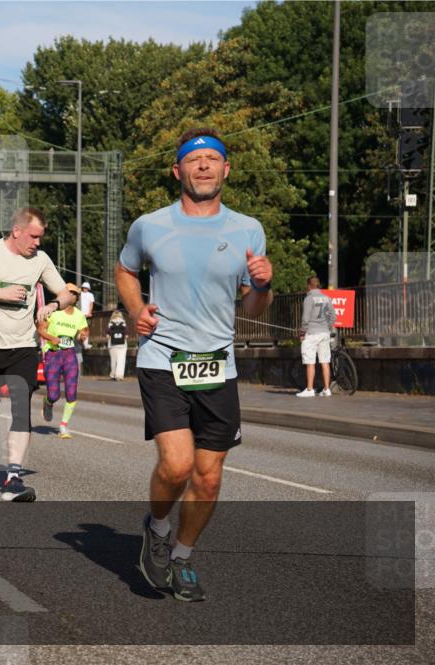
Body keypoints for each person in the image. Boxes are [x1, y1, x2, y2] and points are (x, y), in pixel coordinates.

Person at [115, 128, 273, 602]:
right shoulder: (149, 225)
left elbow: (254, 312)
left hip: (218, 365)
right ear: (177, 170)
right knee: (177, 464)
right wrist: (134, 307)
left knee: (208, 475)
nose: (203, 166)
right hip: (163, 358)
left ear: (226, 169)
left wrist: (263, 286)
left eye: (212, 159)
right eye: (193, 159)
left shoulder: (248, 228)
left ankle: (182, 556)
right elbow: (125, 270)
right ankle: (158, 527)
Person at [0, 207, 75, 502]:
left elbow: (68, 292)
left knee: (22, 406)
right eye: (34, 236)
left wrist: (55, 305)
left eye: (40, 238)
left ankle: (13, 476)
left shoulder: (41, 260)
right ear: (17, 230)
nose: (37, 242)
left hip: (23, 346)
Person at [37, 283, 89, 439]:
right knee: (54, 394)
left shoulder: (79, 315)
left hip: (69, 355)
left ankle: (63, 426)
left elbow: (83, 330)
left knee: (72, 392)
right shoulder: (53, 312)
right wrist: (52, 338)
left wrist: (82, 336)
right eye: (69, 292)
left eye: (74, 294)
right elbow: (40, 329)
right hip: (53, 354)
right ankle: (48, 402)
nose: (72, 295)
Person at [297, 275, 336, 397]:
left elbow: (305, 318)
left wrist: (302, 332)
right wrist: (327, 326)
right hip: (324, 333)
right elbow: (333, 316)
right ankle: (326, 389)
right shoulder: (327, 298)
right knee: (325, 361)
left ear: (309, 285)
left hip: (312, 333)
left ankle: (309, 389)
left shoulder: (309, 299)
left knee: (310, 361)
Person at [107, 309, 128, 380]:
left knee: (113, 360)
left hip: (112, 344)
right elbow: (126, 335)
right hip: (122, 345)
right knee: (121, 360)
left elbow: (107, 335)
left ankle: (113, 374)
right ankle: (119, 375)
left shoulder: (110, 323)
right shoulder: (123, 323)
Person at [79, 281, 95, 348]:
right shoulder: (80, 294)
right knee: (79, 329)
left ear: (88, 288)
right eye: (84, 287)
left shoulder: (90, 295)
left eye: (86, 288)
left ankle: (85, 344)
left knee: (86, 329)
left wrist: (89, 312)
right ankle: (80, 344)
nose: (85, 289)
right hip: (80, 315)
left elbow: (91, 304)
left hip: (87, 314)